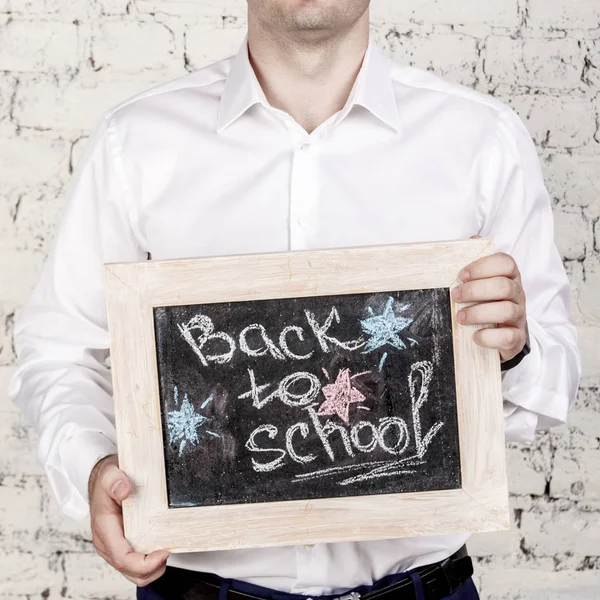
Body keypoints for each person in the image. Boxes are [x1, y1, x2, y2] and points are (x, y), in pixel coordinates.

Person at [9, 1, 580, 599]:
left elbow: (554, 373)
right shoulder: (138, 142)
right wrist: (93, 467)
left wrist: (514, 348)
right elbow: (60, 351)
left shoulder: (481, 140)